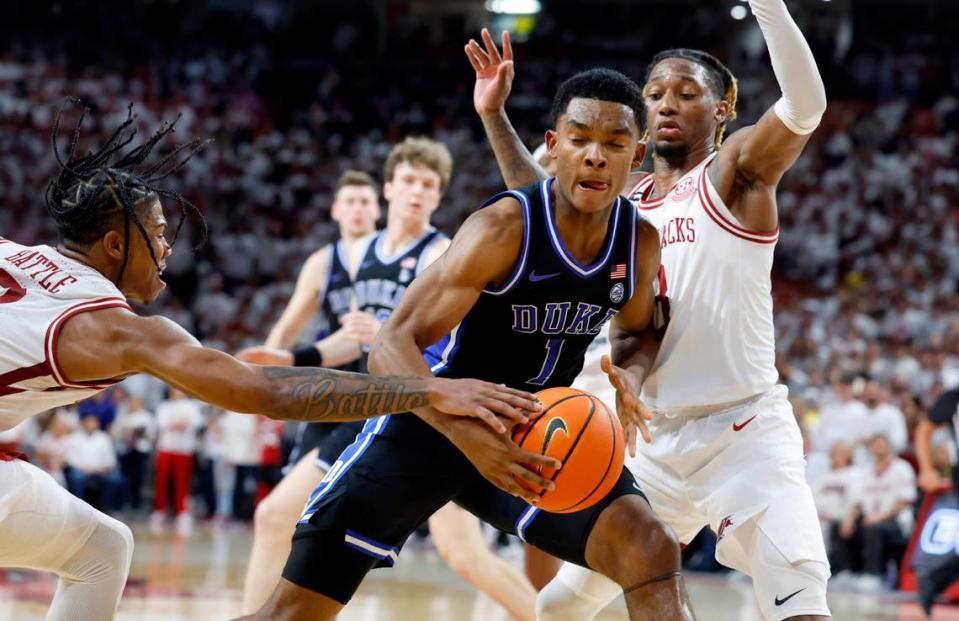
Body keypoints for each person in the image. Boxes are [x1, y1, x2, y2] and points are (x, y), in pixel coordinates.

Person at [0, 100, 542, 621]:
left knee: (104, 547)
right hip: (400, 397)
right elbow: (272, 392)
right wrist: (425, 390)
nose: (169, 248)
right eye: (160, 233)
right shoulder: (113, 330)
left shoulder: (14, 253)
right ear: (116, 245)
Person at [243, 67, 696, 621]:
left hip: (530, 428)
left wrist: (632, 371)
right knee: (291, 614)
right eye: (580, 140)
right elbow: (391, 344)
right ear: (555, 146)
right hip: (424, 420)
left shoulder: (638, 243)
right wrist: (449, 411)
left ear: (638, 155)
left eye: (614, 144)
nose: (595, 156)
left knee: (649, 545)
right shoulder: (503, 227)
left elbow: (639, 327)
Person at [466, 0, 831, 616]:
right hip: (648, 439)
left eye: (685, 93)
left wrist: (768, 6)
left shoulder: (732, 176)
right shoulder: (621, 203)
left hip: (741, 433)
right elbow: (534, 205)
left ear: (719, 111)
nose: (664, 101)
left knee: (796, 602)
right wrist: (494, 115)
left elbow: (805, 108)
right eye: (655, 91)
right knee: (558, 608)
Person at [241, 140, 542, 621]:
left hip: (424, 406)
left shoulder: (444, 250)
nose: (417, 192)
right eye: (409, 181)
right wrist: (285, 358)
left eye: (428, 185)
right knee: (275, 516)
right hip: (375, 403)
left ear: (439, 197)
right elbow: (354, 341)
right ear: (389, 188)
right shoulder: (359, 253)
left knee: (464, 555)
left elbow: (444, 340)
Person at [837, 434, 916, 590]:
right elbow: (857, 503)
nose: (879, 449)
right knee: (840, 525)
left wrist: (881, 516)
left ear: (889, 447)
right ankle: (847, 572)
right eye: (876, 445)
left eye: (882, 445)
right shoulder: (865, 472)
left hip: (897, 522)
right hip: (869, 519)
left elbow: (905, 500)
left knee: (874, 528)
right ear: (871, 448)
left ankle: (873, 575)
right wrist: (849, 519)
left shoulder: (902, 468)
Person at [150, 388, 205, 535]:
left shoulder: (192, 406)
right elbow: (162, 424)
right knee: (161, 481)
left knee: (182, 482)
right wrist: (178, 424)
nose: (177, 393)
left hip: (183, 449)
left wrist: (178, 424)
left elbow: (196, 423)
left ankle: (182, 512)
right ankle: (159, 511)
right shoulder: (164, 406)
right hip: (166, 447)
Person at [65, 414, 124, 512]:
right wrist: (82, 468)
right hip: (82, 470)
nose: (90, 425)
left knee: (116, 479)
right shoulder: (75, 437)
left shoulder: (104, 438)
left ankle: (107, 508)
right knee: (76, 477)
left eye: (93, 422)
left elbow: (111, 459)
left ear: (97, 424)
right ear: (83, 423)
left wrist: (105, 468)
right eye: (88, 422)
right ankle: (78, 509)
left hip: (100, 471)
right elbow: (70, 458)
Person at [110, 394, 155, 513]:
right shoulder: (124, 415)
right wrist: (125, 433)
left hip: (141, 450)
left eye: (136, 402)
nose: (133, 404)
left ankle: (137, 504)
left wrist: (139, 434)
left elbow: (152, 434)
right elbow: (115, 432)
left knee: (138, 479)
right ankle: (124, 502)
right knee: (125, 478)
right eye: (132, 402)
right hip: (126, 450)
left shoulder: (146, 416)